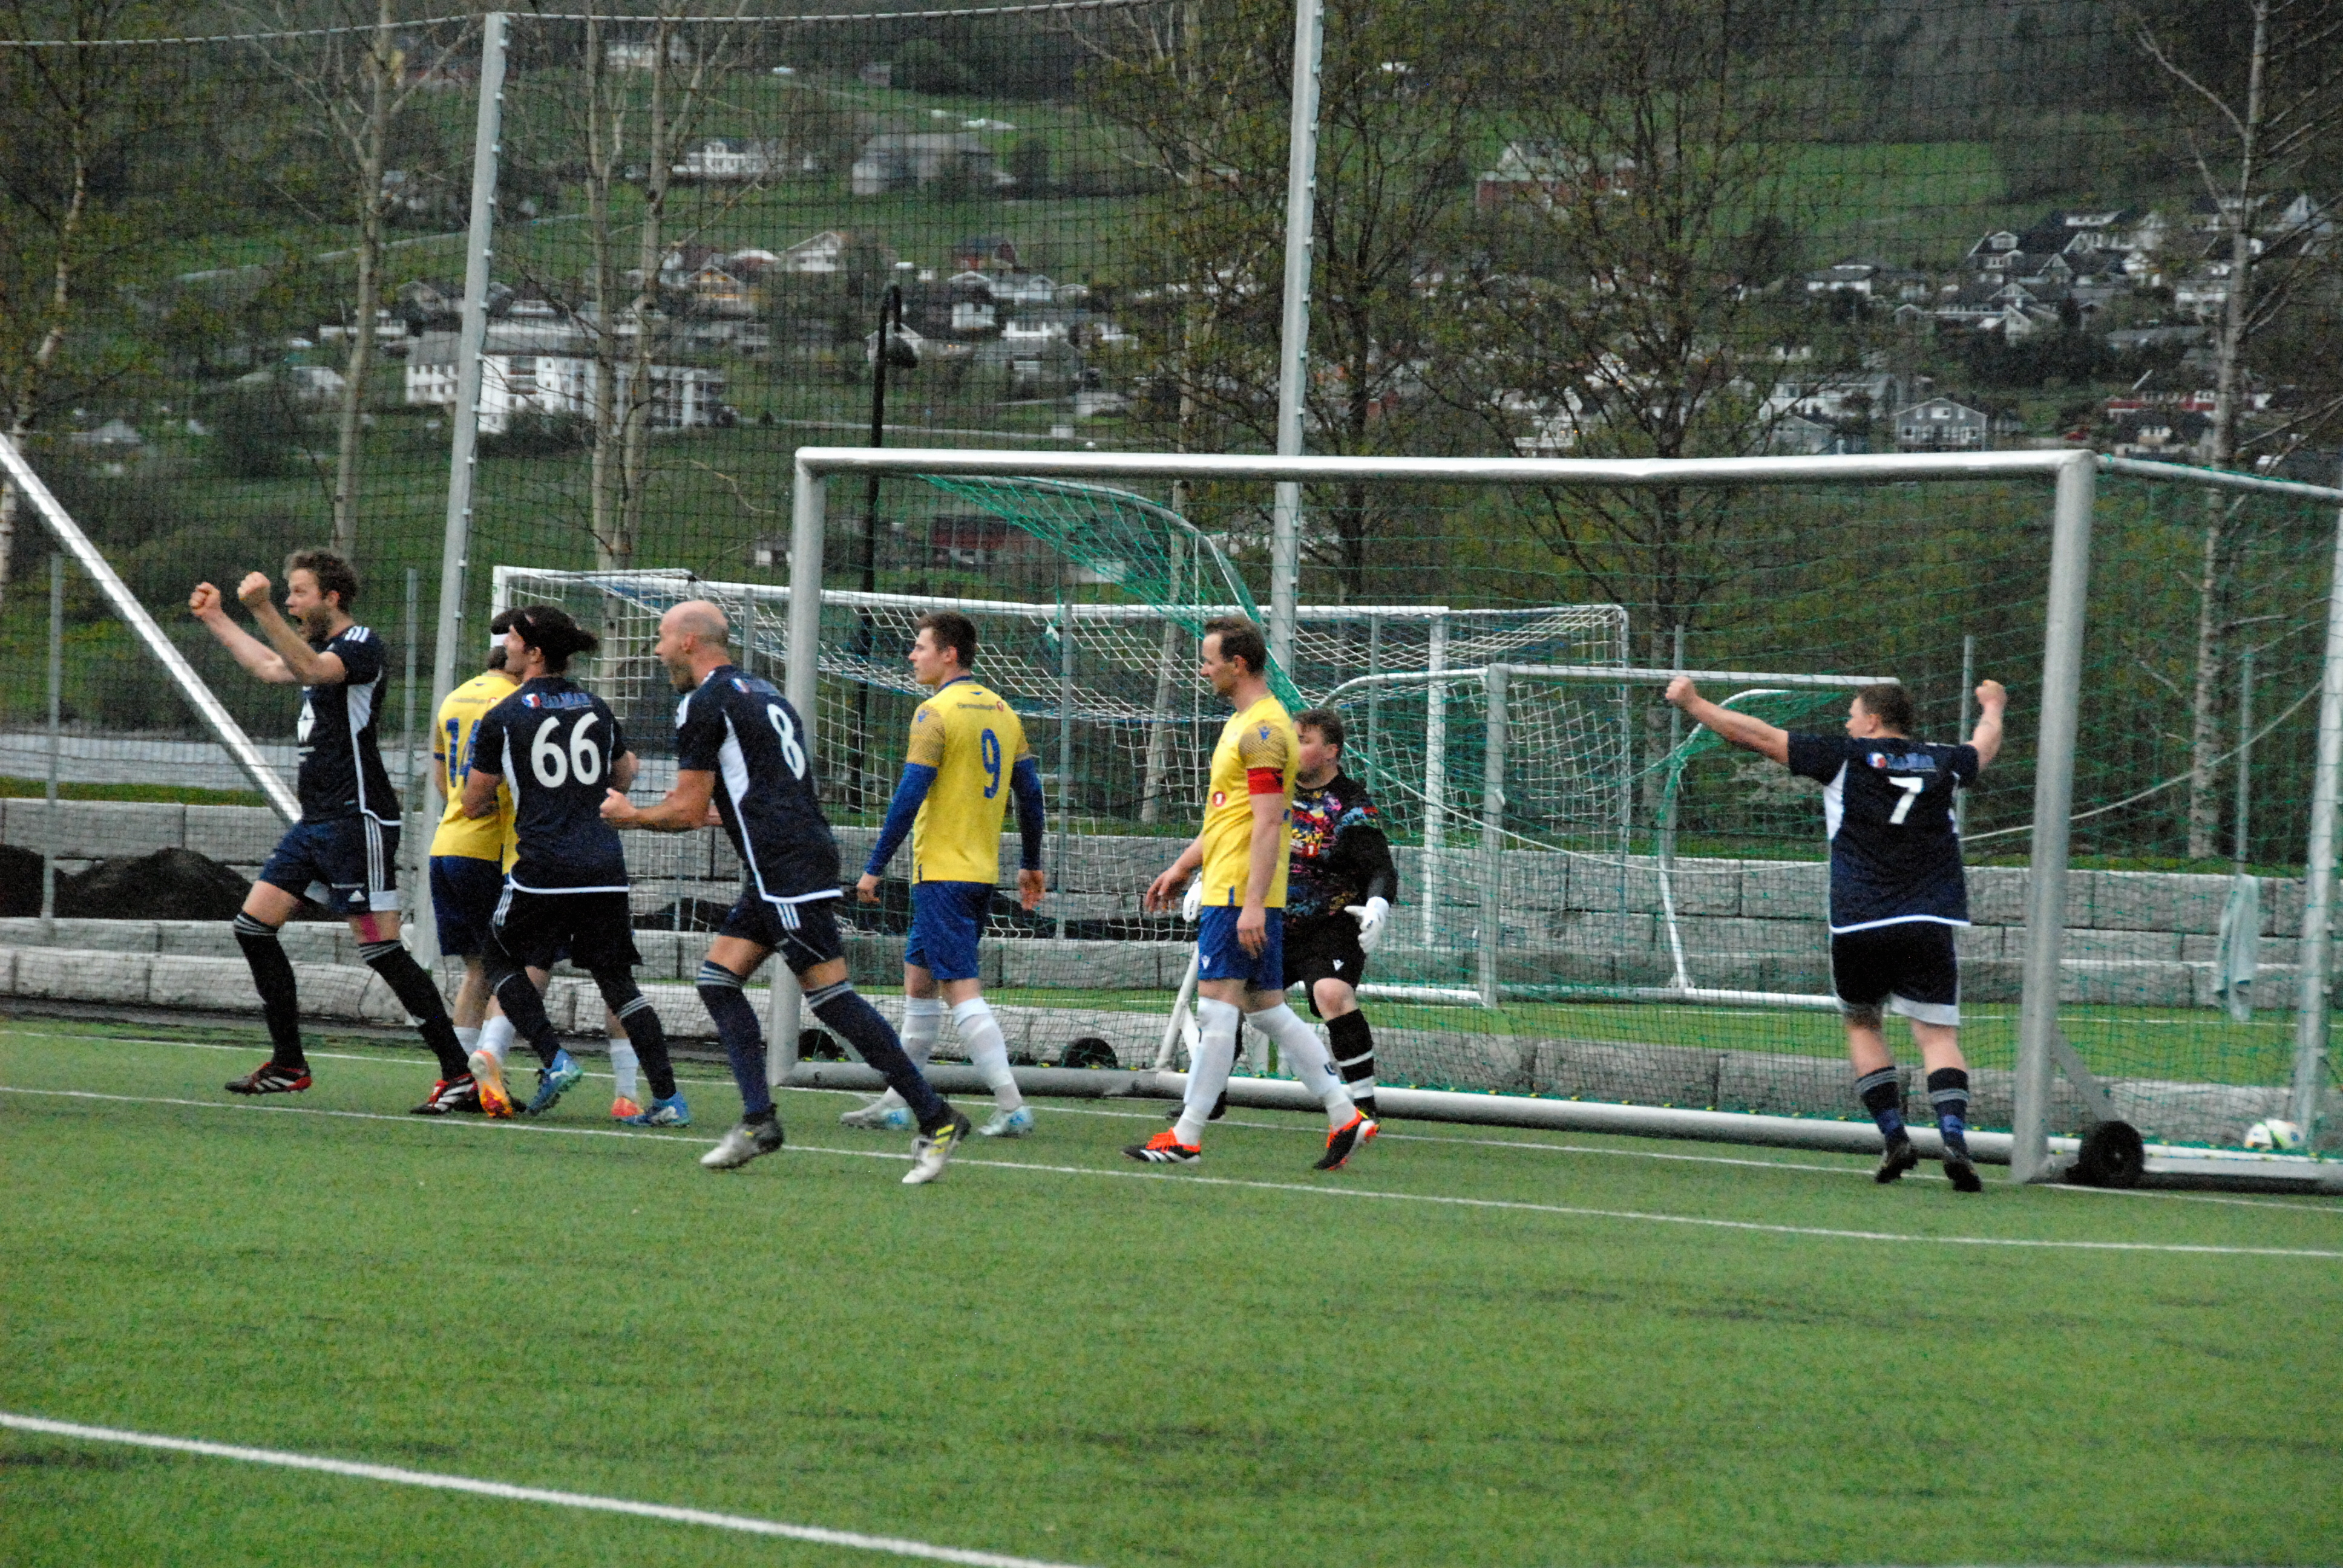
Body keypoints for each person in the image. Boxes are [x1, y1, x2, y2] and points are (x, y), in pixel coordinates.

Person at [602, 599, 972, 1183]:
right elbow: (751, 792)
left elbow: (687, 810)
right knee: (717, 981)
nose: (657, 649)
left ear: (690, 642)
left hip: (785, 867)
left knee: (832, 1000)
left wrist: (630, 817)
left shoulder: (703, 703)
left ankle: (936, 1116)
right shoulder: (762, 692)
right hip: (785, 861)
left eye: (662, 638)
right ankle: (758, 1121)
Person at [1665, 675, 2006, 1192]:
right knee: (1937, 1037)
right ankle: (1954, 1140)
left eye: (1852, 715)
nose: (1847, 724)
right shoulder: (1943, 761)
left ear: (1873, 721)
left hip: (1861, 919)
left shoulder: (1845, 758)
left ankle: (1894, 1137)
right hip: (1931, 919)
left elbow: (1752, 734)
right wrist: (1993, 705)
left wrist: (1693, 702)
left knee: (1863, 1023)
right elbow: (1984, 745)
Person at [189, 551, 474, 1111]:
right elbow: (272, 667)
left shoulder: (360, 643)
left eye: (299, 593)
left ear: (332, 598)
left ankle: (458, 1074)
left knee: (382, 949)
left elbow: (314, 671)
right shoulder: (313, 651)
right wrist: (218, 619)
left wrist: (263, 609)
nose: (291, 602)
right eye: (287, 593)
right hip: (317, 822)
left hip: (357, 818)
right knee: (253, 927)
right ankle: (289, 1064)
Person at [1128, 618, 1374, 1170]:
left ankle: (1187, 1135)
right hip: (1233, 883)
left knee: (1217, 1010)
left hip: (1239, 889)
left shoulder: (1263, 730)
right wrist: (1183, 866)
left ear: (1238, 664)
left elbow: (1268, 823)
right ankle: (1345, 1113)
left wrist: (1255, 903)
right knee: (1264, 1008)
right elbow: (1230, 814)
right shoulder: (1249, 722)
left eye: (1210, 660)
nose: (1203, 670)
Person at [459, 605, 687, 1126]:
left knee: (496, 956)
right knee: (618, 983)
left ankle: (554, 1057)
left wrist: (526, 799)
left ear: (535, 653)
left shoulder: (504, 716)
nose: (506, 646)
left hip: (542, 866)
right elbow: (622, 775)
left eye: (513, 639)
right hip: (603, 866)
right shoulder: (598, 708)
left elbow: (473, 802)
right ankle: (669, 1099)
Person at [849, 611, 1049, 1138]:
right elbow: (1030, 794)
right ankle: (898, 1102)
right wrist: (1030, 862)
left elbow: (909, 795)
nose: (912, 656)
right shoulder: (1003, 711)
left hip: (942, 875)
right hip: (979, 874)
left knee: (960, 989)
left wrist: (874, 867)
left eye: (920, 647)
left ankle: (1012, 1104)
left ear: (948, 654)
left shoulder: (934, 713)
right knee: (919, 983)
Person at [1283, 707, 1397, 1121]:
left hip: (1331, 924)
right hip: (1273, 920)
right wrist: (1206, 877)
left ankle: (1363, 1105)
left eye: (1303, 741)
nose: (1292, 748)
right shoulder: (1272, 792)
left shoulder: (1352, 805)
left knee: (1331, 994)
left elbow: (1381, 868)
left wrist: (1378, 906)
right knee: (1230, 994)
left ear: (1331, 751)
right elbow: (1235, 840)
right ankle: (1211, 1097)